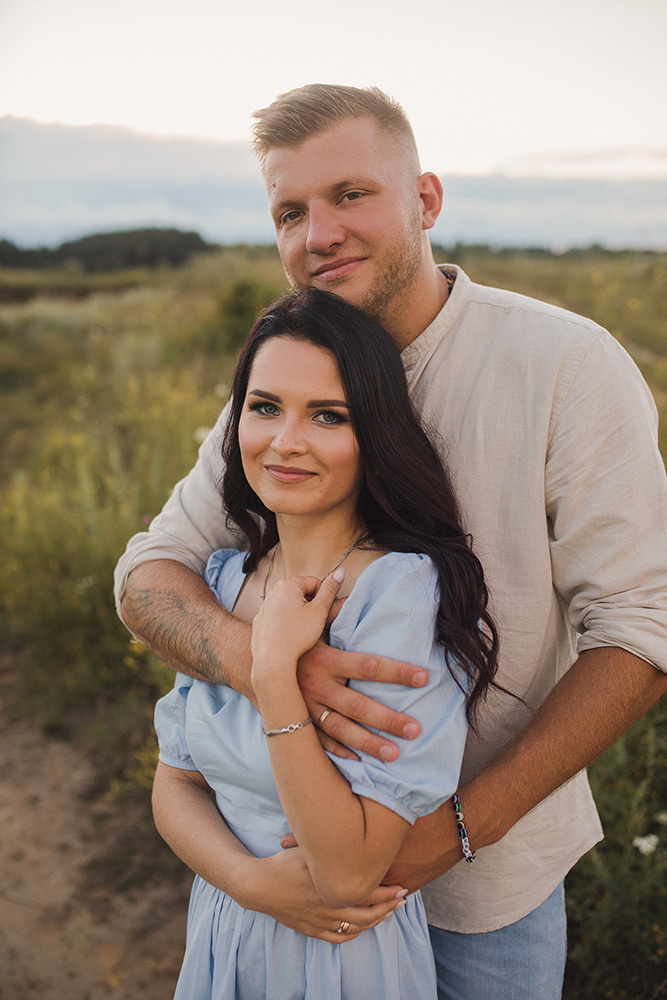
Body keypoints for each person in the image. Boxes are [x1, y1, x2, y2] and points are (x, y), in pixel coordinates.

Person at [115, 85, 667, 999]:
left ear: (425, 200)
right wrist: (261, 660)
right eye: (290, 211)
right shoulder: (280, 387)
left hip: (487, 890)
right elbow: (149, 575)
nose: (317, 233)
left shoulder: (564, 364)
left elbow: (643, 630)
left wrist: (450, 831)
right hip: (287, 877)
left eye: (350, 195)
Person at [152, 287, 499, 998]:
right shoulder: (221, 580)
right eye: (265, 406)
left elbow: (347, 874)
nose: (285, 441)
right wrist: (250, 884)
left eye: (328, 416)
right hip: (227, 924)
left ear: (372, 435)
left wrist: (275, 671)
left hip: (338, 958)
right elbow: (175, 783)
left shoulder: (395, 594)